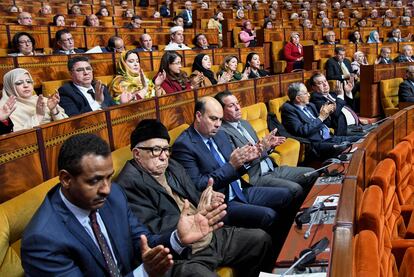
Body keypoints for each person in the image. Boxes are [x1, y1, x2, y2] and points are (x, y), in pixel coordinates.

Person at [21, 133, 228, 276]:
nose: (106, 189)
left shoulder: (114, 196)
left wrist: (177, 239)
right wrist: (144, 273)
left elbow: (142, 242)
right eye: (94, 180)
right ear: (66, 179)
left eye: (109, 178)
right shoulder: (42, 239)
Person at [116, 119, 274, 276]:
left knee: (261, 239)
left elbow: (195, 197)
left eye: (166, 149)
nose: (164, 156)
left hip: (208, 235)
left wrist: (209, 200)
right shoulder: (128, 184)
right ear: (137, 154)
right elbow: (151, 230)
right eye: (156, 150)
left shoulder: (173, 166)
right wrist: (195, 216)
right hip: (183, 253)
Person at [172, 97, 294, 236]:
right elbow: (197, 185)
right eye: (213, 119)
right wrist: (232, 165)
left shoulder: (220, 134)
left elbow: (235, 167)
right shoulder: (184, 145)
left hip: (240, 190)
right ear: (198, 116)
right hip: (222, 203)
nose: (218, 124)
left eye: (220, 119)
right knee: (269, 215)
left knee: (287, 195)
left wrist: (246, 160)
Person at [216, 91, 317, 205]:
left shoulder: (244, 123)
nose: (238, 108)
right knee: (295, 189)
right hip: (255, 175)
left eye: (237, 103)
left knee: (312, 173)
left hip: (271, 167)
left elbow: (260, 147)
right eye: (231, 106)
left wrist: (268, 147)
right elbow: (236, 164)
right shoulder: (222, 133)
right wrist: (260, 148)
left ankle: (310, 207)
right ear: (221, 111)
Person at [281, 83, 361, 160]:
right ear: (298, 98)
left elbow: (324, 123)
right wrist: (321, 117)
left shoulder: (310, 106)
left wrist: (327, 113)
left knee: (361, 138)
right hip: (317, 143)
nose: (309, 95)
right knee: (345, 147)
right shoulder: (289, 110)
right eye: (306, 93)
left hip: (330, 138)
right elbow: (302, 131)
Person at [0, 68, 67, 132]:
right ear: (10, 87)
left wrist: (54, 110)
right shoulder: (5, 109)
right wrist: (38, 116)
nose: (26, 85)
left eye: (29, 81)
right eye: (19, 83)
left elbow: (66, 126)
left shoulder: (44, 100)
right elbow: (17, 137)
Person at [58, 56, 126, 116]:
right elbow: (74, 119)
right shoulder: (66, 92)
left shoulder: (101, 87)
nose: (86, 73)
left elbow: (113, 108)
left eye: (88, 68)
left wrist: (123, 104)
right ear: (71, 74)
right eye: (80, 70)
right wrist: (97, 102)